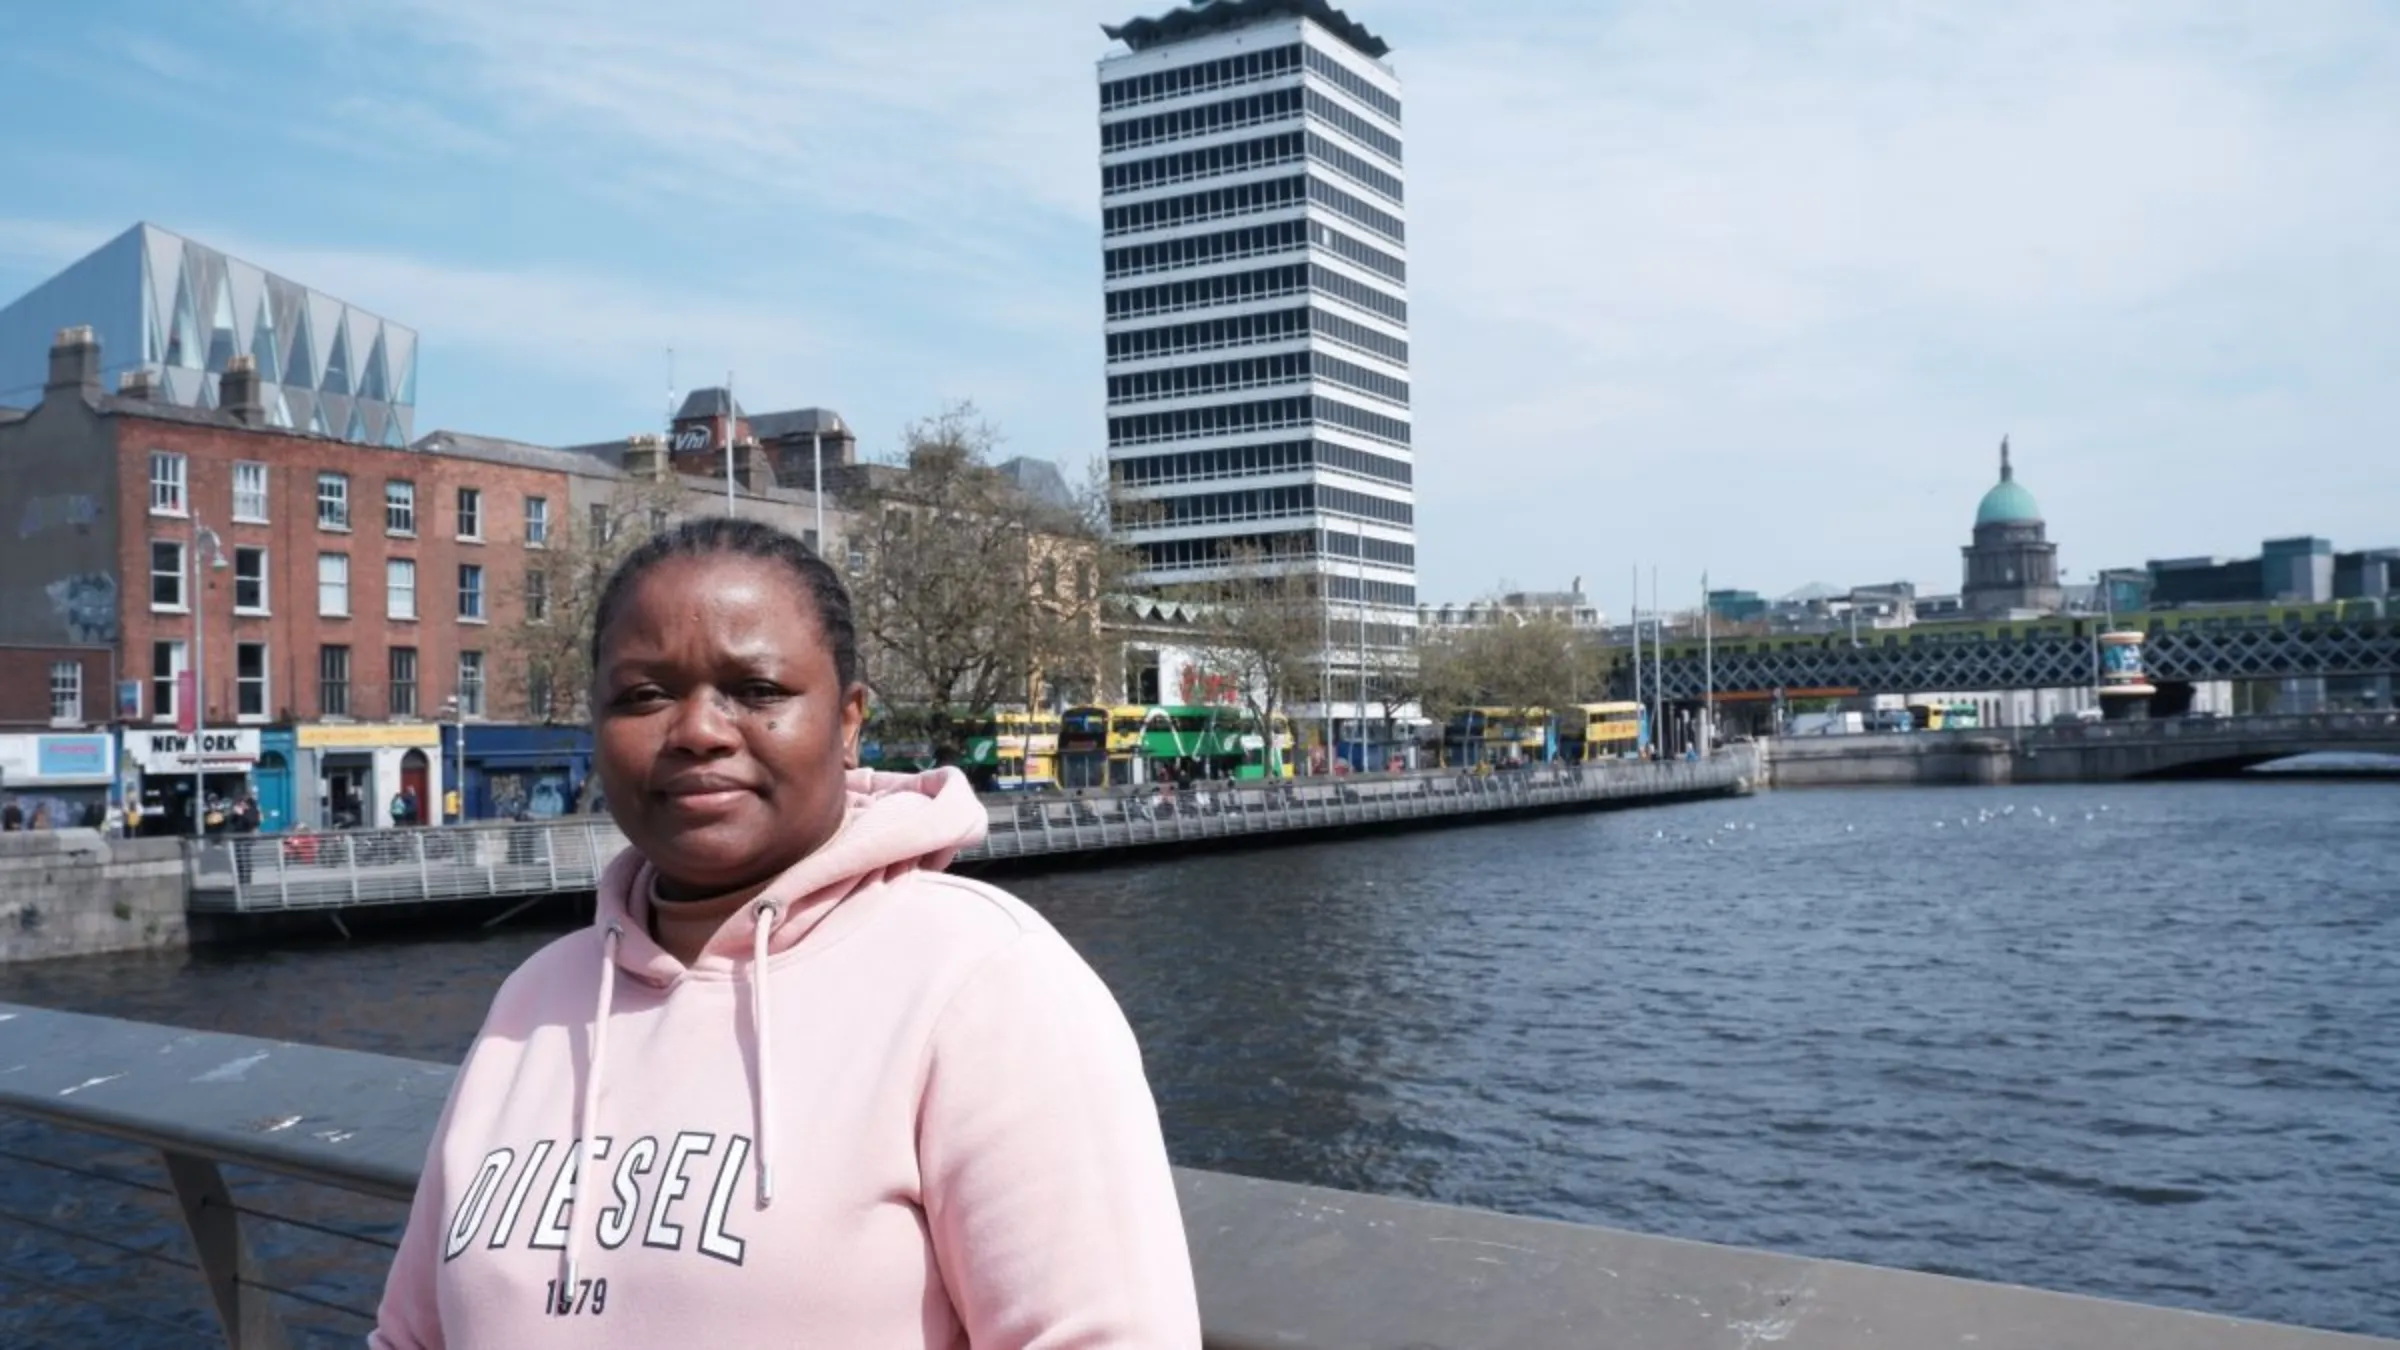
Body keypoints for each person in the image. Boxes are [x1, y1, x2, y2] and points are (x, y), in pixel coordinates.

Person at [372, 517, 1198, 1348]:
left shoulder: (982, 983)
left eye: (758, 689)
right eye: (643, 695)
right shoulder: (535, 997)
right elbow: (410, 1336)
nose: (698, 729)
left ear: (847, 723)